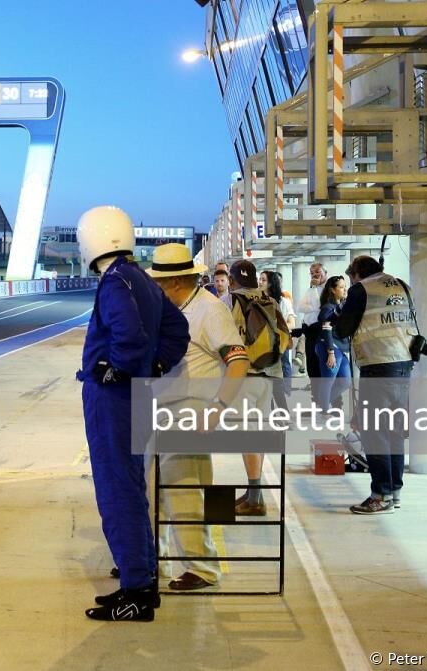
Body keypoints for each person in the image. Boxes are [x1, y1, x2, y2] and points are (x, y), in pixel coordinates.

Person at [76, 206, 189, 622]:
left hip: (113, 399)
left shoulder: (114, 281)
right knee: (131, 485)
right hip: (136, 396)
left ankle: (136, 592)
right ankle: (141, 577)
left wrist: (121, 366)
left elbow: (128, 331)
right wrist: (155, 365)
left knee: (116, 489)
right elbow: (177, 330)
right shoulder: (140, 277)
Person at [148, 244, 248, 592]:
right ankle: (154, 558)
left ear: (175, 282)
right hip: (164, 409)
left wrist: (219, 406)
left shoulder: (210, 311)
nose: (156, 290)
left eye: (159, 284)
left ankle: (202, 567)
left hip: (192, 409)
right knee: (154, 489)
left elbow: (238, 360)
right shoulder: (175, 309)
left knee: (186, 490)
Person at [333, 255, 415, 514]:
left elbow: (342, 330)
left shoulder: (361, 290)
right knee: (393, 432)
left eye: (350, 276)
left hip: (378, 366)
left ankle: (380, 495)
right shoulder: (402, 285)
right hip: (403, 365)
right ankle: (394, 492)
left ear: (357, 274)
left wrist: (340, 312)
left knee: (374, 433)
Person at [224, 260, 286, 517]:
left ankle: (255, 497)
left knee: (247, 436)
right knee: (255, 433)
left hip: (244, 376)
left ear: (231, 279)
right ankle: (253, 493)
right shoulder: (268, 300)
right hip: (268, 375)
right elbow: (285, 339)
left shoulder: (231, 301)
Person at [312, 275, 351, 414]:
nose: (344, 289)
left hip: (340, 346)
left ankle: (322, 403)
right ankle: (324, 409)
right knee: (328, 381)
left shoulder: (341, 306)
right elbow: (326, 330)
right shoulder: (328, 307)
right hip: (329, 347)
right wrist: (330, 352)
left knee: (346, 381)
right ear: (333, 290)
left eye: (345, 286)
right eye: (341, 287)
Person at [260, 271, 296, 392]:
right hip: (262, 344)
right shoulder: (255, 300)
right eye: (260, 279)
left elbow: (292, 323)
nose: (260, 282)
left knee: (282, 366)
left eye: (263, 280)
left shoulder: (283, 302)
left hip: (280, 342)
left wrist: (274, 326)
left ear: (270, 283)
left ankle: (286, 390)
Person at [295, 263, 327, 378]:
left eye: (318, 272)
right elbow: (300, 307)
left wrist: (311, 307)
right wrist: (312, 307)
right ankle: (315, 394)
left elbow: (317, 306)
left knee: (321, 365)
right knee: (312, 365)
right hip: (309, 332)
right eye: (312, 273)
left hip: (322, 332)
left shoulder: (330, 288)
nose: (314, 275)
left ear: (325, 273)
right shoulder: (312, 289)